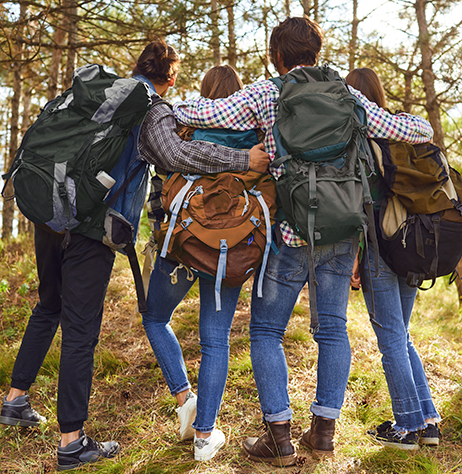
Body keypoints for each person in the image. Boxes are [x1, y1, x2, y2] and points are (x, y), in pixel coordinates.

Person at [172, 17, 434, 465]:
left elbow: (202, 113)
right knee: (332, 329)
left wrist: (163, 105)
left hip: (289, 234)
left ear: (276, 55)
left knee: (266, 331)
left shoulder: (267, 93)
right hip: (341, 231)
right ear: (318, 53)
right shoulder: (346, 95)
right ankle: (324, 432)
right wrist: (417, 123)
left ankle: (279, 435)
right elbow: (411, 132)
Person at [0, 40, 269, 471]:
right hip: (93, 229)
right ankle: (71, 441)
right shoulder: (150, 108)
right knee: (81, 332)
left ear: (137, 66)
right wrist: (242, 158)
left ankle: (15, 400)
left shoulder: (102, 93)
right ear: (172, 75)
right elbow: (177, 154)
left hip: (49, 214)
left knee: (48, 307)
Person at [141, 63, 267, 462]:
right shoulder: (255, 140)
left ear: (205, 92)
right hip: (230, 248)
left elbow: (160, 185)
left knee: (154, 317)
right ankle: (204, 436)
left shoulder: (186, 126)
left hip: (183, 244)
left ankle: (184, 397)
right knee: (216, 340)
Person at [347, 67, 441, 450]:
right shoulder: (405, 130)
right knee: (401, 337)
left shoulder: (357, 142)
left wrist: (354, 259)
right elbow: (429, 132)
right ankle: (428, 419)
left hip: (379, 249)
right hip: (414, 245)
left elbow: (354, 205)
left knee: (390, 342)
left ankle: (406, 425)